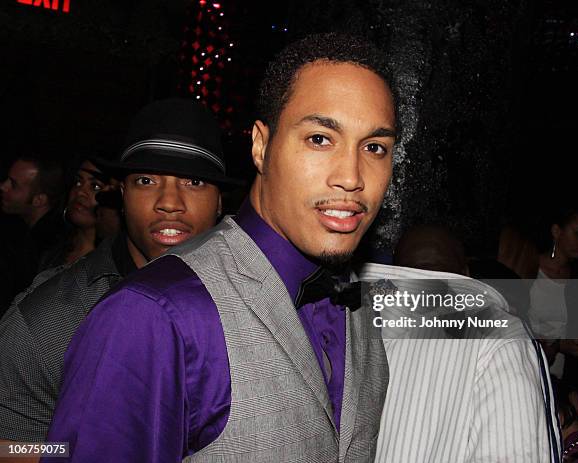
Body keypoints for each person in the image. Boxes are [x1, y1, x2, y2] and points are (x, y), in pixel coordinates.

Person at [43, 33, 396, 463]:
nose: (351, 176)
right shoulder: (154, 314)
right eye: (320, 139)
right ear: (261, 146)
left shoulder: (358, 309)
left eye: (375, 147)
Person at [0, 98, 235, 452]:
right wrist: (79, 448)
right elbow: (9, 448)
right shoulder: (46, 321)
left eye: (194, 181)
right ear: (122, 194)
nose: (169, 202)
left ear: (219, 201)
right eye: (146, 180)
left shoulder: (255, 304)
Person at [365, 224, 562, 462]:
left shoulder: (346, 319)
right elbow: (515, 452)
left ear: (396, 270)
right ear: (467, 271)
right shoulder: (498, 332)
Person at [529, 207, 578, 378]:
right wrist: (558, 345)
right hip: (527, 370)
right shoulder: (528, 269)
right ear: (557, 231)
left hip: (559, 380)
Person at [0, 157, 64, 311]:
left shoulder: (45, 247)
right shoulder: (22, 234)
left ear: (39, 200)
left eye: (13, 185)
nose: (3, 186)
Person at [37, 159, 116, 271]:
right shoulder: (49, 248)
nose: (80, 192)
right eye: (78, 182)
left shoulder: (115, 262)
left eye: (95, 186)